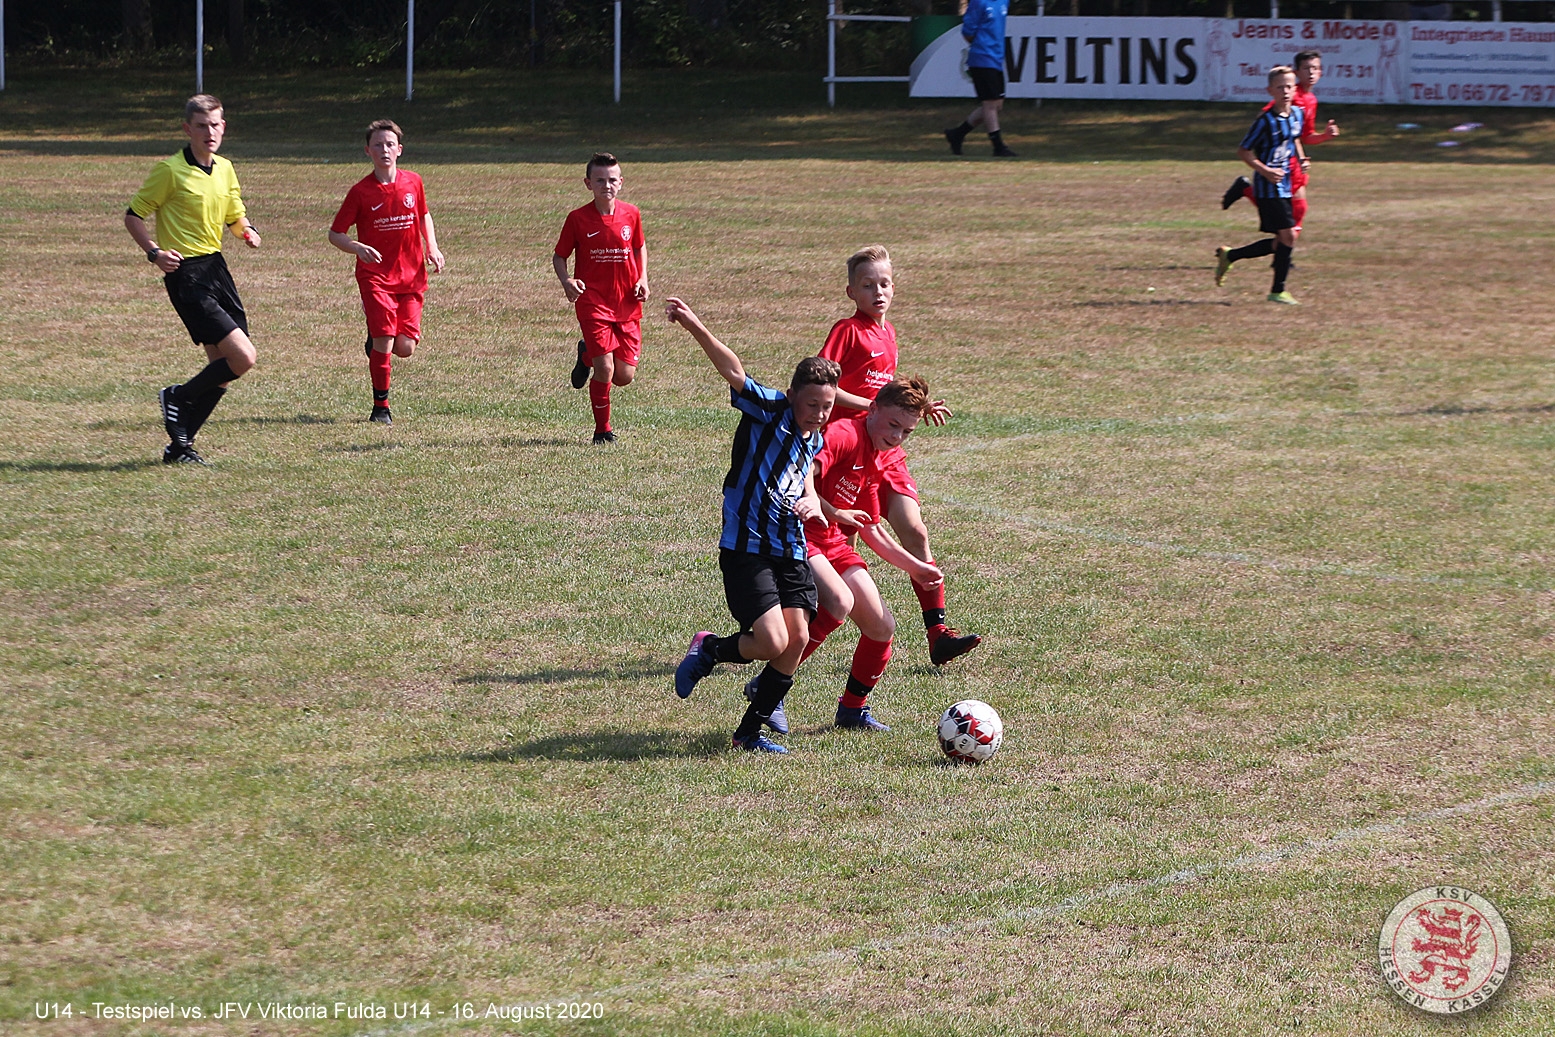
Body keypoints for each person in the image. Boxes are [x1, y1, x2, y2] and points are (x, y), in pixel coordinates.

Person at [666, 296, 837, 755]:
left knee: (796, 640)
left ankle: (748, 733)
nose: (819, 413)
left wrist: (811, 501)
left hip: (791, 548)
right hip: (748, 546)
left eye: (827, 406)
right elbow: (733, 369)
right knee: (771, 640)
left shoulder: (813, 436)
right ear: (793, 394)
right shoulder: (771, 409)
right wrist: (695, 325)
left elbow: (802, 475)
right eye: (812, 404)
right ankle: (710, 650)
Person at [820, 246, 982, 666]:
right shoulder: (847, 330)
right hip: (849, 452)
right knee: (842, 553)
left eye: (885, 284)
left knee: (915, 530)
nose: (878, 292)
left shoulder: (888, 333)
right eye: (867, 285)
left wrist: (912, 408)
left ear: (894, 288)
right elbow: (822, 385)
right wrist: (874, 407)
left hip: (886, 452)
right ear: (851, 292)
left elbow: (888, 395)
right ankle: (796, 634)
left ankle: (938, 634)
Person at [792, 378, 946, 735]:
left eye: (906, 432)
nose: (897, 436)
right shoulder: (845, 434)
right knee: (837, 604)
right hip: (799, 536)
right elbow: (801, 472)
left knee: (881, 627)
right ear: (872, 409)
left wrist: (917, 568)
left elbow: (871, 528)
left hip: (832, 542)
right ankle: (770, 685)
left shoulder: (879, 455)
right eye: (893, 425)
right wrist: (828, 509)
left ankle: (852, 710)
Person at [125, 94, 262, 464]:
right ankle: (178, 396)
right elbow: (134, 215)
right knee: (243, 357)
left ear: (223, 127)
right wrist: (154, 252)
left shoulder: (226, 168)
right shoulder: (169, 170)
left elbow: (234, 215)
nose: (209, 132)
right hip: (186, 274)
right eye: (201, 126)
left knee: (222, 370)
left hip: (217, 270)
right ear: (188, 129)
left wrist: (246, 231)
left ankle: (179, 448)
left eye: (215, 125)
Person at [329, 119, 446, 425]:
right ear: (367, 151)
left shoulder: (413, 182)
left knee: (404, 348)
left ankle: (376, 337)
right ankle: (381, 407)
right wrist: (357, 247)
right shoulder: (360, 192)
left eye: (390, 144)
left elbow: (423, 214)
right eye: (378, 145)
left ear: (400, 150)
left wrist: (432, 247)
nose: (384, 150)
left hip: (411, 275)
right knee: (385, 341)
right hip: (376, 277)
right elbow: (335, 233)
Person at [553, 153, 648, 444]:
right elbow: (559, 256)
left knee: (623, 376)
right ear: (588, 183)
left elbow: (639, 247)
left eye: (612, 180)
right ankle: (602, 431)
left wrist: (643, 278)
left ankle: (586, 356)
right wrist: (567, 281)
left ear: (621, 182)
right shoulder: (578, 218)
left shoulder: (631, 214)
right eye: (599, 180)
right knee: (605, 369)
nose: (606, 185)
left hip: (626, 303)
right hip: (593, 302)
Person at [1220, 50, 1341, 236]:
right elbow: (1266, 116)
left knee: (1291, 209)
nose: (1311, 73)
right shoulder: (1291, 94)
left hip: (1293, 161)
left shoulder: (1310, 99)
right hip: (1282, 163)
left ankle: (1247, 192)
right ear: (1296, 72)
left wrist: (1324, 136)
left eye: (1315, 68)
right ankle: (1283, 247)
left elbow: (1304, 136)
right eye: (1306, 68)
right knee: (1288, 209)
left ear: (1321, 72)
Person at [1214, 67, 1307, 305]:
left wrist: (1301, 158)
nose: (1285, 91)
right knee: (1288, 236)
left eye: (1289, 86)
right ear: (1270, 91)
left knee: (1282, 241)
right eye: (1280, 87)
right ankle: (1277, 291)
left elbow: (1294, 138)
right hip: (1268, 188)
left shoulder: (1297, 114)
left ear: (1295, 89)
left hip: (1285, 184)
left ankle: (1231, 255)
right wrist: (1266, 171)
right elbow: (1243, 150)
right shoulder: (1265, 121)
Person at [943, 0, 1016, 158]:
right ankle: (998, 147)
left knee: (997, 105)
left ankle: (957, 134)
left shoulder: (1003, 1)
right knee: (989, 105)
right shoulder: (979, 2)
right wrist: (982, 44)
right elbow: (967, 32)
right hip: (982, 58)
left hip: (997, 58)